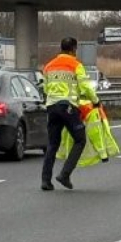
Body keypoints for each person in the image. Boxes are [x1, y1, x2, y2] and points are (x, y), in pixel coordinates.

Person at [40, 37, 100, 191]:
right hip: (67, 107)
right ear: (73, 49)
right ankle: (64, 175)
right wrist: (95, 100)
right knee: (80, 140)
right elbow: (85, 86)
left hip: (52, 107)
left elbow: (45, 89)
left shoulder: (49, 66)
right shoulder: (76, 65)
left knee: (52, 144)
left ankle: (45, 181)